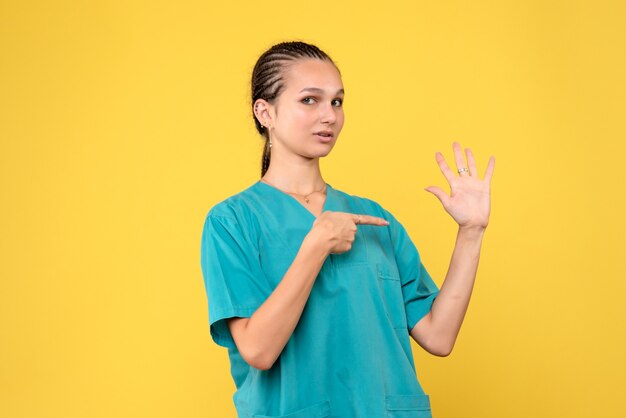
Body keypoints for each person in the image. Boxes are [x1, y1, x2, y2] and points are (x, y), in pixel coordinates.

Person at [200, 41, 495, 418]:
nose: (329, 116)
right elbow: (258, 350)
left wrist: (471, 231)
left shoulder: (375, 220)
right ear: (265, 112)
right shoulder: (232, 223)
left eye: (337, 102)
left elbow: (439, 336)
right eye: (310, 100)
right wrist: (317, 245)